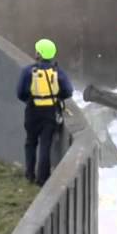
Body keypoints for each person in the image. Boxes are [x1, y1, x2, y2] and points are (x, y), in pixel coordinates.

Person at [16, 38, 73, 186]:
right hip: (50, 111)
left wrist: (31, 99)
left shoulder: (28, 71)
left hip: (32, 111)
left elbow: (20, 93)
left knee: (30, 142)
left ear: (39, 54)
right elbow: (68, 91)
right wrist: (55, 97)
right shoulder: (57, 72)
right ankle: (43, 179)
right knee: (45, 145)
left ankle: (29, 174)